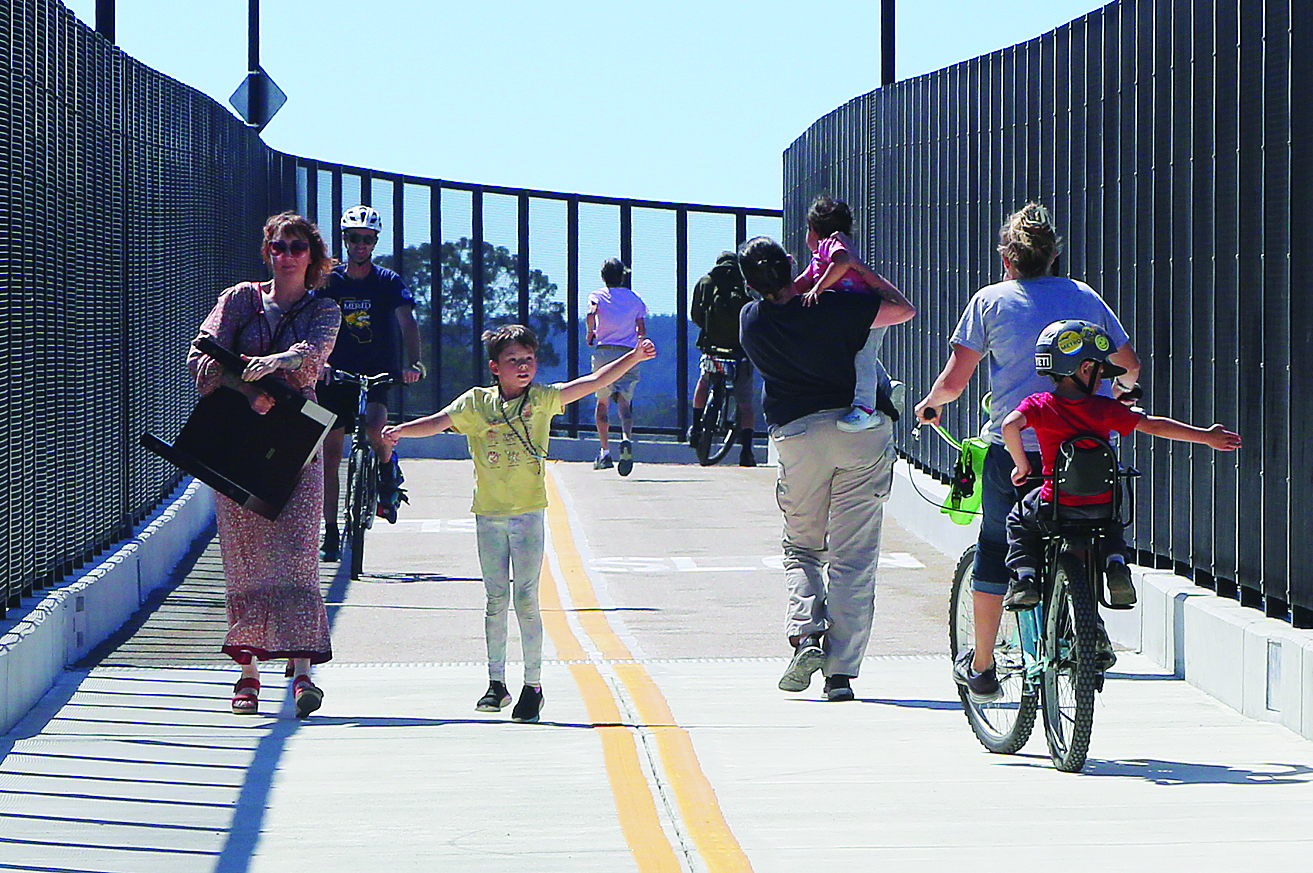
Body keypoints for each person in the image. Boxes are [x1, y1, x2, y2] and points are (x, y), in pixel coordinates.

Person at [913, 202, 1142, 703]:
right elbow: (1129, 366)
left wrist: (929, 406)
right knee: (1087, 528)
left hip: (1019, 450)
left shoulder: (990, 302)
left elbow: (955, 381)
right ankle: (1090, 622)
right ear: (1054, 255)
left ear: (1006, 259)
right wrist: (1117, 389)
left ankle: (983, 665)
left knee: (996, 546)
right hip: (1086, 451)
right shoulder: (1084, 296)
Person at [382, 325, 657, 723]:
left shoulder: (543, 400)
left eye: (528, 359)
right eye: (513, 361)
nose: (523, 367)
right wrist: (400, 433)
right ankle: (496, 682)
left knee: (526, 597)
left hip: (529, 512)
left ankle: (533, 685)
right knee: (495, 599)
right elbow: (440, 421)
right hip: (489, 514)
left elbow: (593, 381)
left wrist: (632, 357)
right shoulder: (476, 404)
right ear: (495, 367)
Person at [737, 236, 916, 701]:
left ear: (751, 284)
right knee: (853, 559)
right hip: (858, 433)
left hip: (797, 438)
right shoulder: (837, 306)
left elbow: (781, 298)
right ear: (792, 264)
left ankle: (806, 635)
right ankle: (840, 676)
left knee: (802, 547)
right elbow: (901, 309)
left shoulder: (751, 321)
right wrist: (856, 267)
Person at [187, 212, 341, 718]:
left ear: (312, 255)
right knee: (245, 559)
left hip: (297, 439)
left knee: (298, 555)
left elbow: (313, 357)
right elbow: (201, 358)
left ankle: (301, 672)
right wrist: (245, 388)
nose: (288, 255)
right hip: (238, 438)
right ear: (267, 251)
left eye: (298, 247)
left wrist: (276, 364)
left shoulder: (324, 308)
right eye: (279, 246)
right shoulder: (239, 300)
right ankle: (248, 670)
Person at [1001, 319, 1241, 619]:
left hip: (1056, 504)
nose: (1102, 377)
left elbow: (1010, 424)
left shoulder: (1040, 404)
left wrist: (1021, 466)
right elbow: (1153, 425)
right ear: (1085, 369)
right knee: (1112, 520)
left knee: (1018, 518)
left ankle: (1024, 579)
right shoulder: (1106, 408)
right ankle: (1115, 564)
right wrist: (1206, 436)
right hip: (1100, 502)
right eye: (1100, 370)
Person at [316, 205, 423, 562]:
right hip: (336, 374)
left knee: (376, 428)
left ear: (375, 242)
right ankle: (330, 531)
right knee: (330, 456)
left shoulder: (388, 281)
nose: (359, 244)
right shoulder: (330, 280)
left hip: (377, 371)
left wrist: (412, 362)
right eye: (353, 238)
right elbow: (313, 319)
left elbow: (407, 321)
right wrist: (321, 360)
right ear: (344, 241)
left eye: (367, 239)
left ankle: (387, 470)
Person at [796, 196, 904, 429]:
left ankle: (865, 408)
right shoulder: (819, 257)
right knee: (860, 352)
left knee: (862, 358)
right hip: (860, 312)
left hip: (866, 310)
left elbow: (844, 262)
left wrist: (819, 288)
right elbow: (803, 281)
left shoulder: (831, 245)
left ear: (813, 230)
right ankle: (886, 385)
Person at [688, 251, 757, 466]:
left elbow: (695, 315)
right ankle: (747, 451)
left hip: (712, 348)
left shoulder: (706, 281)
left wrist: (709, 328)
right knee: (744, 401)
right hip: (740, 350)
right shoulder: (747, 284)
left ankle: (697, 426)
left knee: (704, 381)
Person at [586, 258, 647, 476]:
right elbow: (641, 327)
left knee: (602, 402)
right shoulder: (634, 298)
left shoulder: (598, 295)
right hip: (628, 353)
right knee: (625, 400)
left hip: (604, 351)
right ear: (622, 276)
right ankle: (626, 438)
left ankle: (604, 452)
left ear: (603, 276)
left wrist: (590, 333)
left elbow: (591, 313)